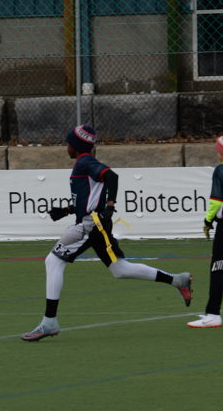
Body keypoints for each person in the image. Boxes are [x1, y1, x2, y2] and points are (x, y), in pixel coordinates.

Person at [22, 124, 193, 341]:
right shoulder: (83, 164)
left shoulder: (85, 162)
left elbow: (112, 177)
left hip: (90, 225)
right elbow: (89, 199)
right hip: (95, 224)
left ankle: (49, 322)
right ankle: (178, 280)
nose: (66, 147)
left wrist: (110, 205)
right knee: (120, 269)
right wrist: (66, 210)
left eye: (68, 143)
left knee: (53, 261)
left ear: (75, 146)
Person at [187, 135, 223, 328]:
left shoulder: (220, 171)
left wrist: (208, 221)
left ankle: (213, 313)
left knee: (218, 268)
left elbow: (216, 202)